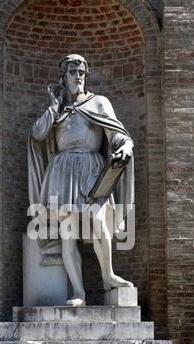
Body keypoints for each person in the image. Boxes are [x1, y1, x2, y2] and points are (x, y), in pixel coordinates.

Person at [28, 54, 134, 306]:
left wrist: (126, 145)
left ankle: (108, 276)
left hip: (92, 168)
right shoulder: (58, 108)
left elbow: (116, 134)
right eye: (72, 72)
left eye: (81, 72)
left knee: (97, 221)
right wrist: (54, 106)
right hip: (62, 170)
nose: (77, 77)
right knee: (68, 232)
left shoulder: (99, 103)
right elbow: (37, 134)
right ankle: (78, 292)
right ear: (63, 78)